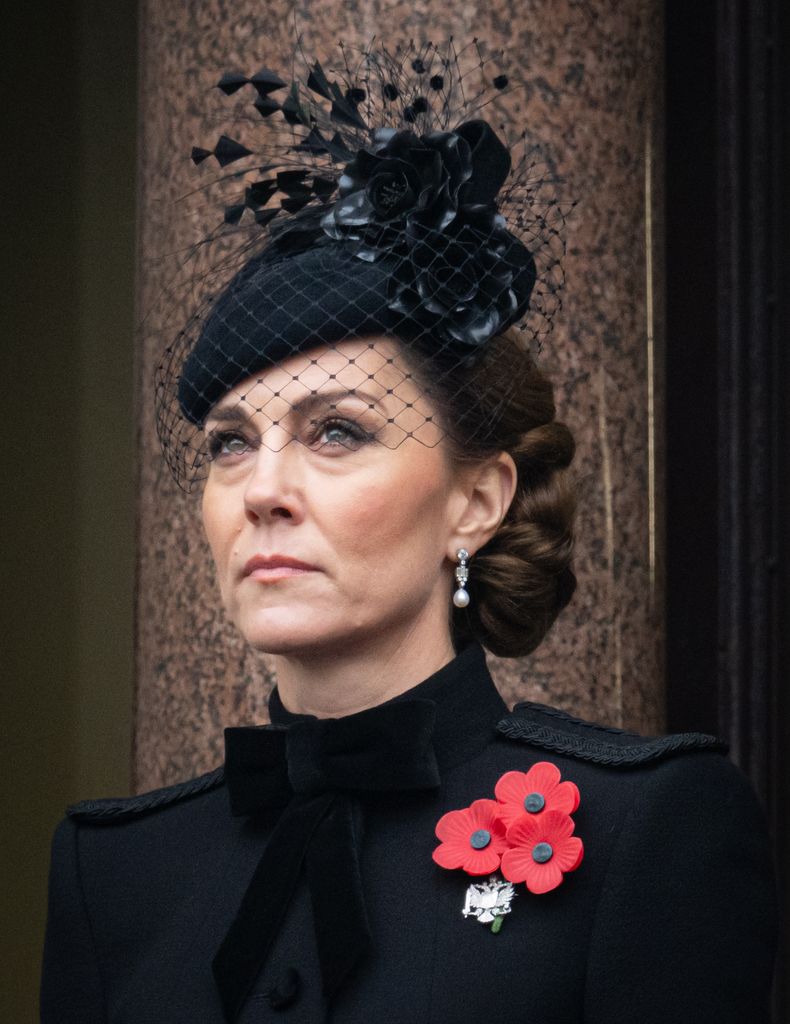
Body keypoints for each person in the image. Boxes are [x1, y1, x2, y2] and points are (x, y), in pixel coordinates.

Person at [41, 38, 777, 1024]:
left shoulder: (645, 827)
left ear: (475, 501)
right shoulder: (115, 869)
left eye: (335, 431)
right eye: (229, 443)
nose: (262, 489)